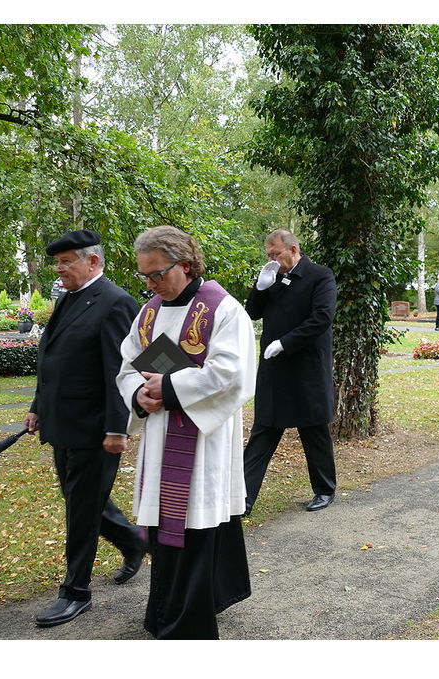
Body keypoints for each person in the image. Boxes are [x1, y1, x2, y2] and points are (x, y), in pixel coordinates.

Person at [116, 226, 256, 639]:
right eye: (145, 276)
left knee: (195, 526)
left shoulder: (223, 309)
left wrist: (171, 389)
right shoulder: (149, 312)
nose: (151, 284)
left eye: (157, 274)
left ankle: (185, 625)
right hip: (159, 436)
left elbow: (232, 374)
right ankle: (172, 608)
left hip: (202, 441)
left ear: (188, 265)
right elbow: (125, 366)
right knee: (166, 528)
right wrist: (139, 394)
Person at [24, 229, 146, 628]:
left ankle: (76, 592)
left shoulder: (116, 303)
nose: (59, 270)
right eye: (56, 263)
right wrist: (37, 406)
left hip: (96, 429)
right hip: (64, 423)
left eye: (66, 262)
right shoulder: (68, 298)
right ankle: (134, 541)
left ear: (92, 261)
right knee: (84, 500)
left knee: (81, 508)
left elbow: (120, 373)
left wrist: (118, 429)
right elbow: (53, 357)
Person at [243, 230, 338, 513]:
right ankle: (242, 499)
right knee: (264, 431)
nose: (271, 259)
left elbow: (322, 317)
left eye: (276, 254)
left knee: (313, 430)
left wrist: (286, 343)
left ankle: (324, 490)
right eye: (268, 255)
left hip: (306, 366)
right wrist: (260, 287)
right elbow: (252, 312)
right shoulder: (272, 276)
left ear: (293, 249)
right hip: (275, 369)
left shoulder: (320, 276)